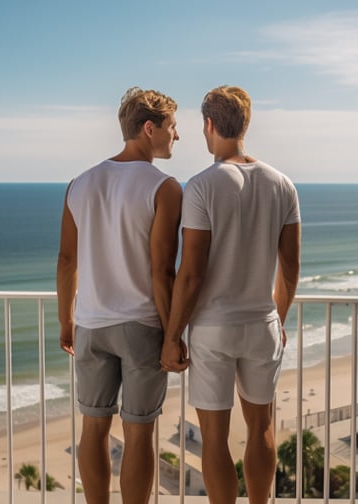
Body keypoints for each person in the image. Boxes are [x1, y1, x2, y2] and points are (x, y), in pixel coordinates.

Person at [160, 85, 301, 504]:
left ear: (208, 124)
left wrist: (172, 335)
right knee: (261, 429)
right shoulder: (283, 184)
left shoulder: (202, 185)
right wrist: (278, 317)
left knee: (215, 438)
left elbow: (192, 273)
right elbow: (290, 267)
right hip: (262, 324)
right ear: (246, 123)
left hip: (213, 329)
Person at [57, 86, 182, 504]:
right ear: (150, 129)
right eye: (172, 127)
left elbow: (66, 259)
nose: (176, 136)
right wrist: (171, 334)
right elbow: (162, 270)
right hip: (142, 326)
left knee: (92, 427)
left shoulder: (79, 183)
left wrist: (66, 320)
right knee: (139, 432)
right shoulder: (164, 188)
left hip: (91, 324)